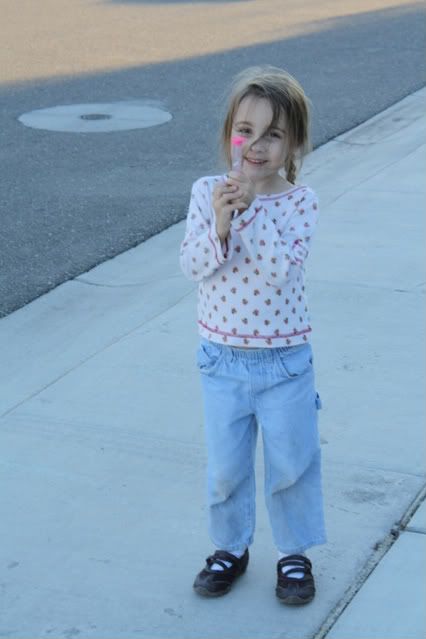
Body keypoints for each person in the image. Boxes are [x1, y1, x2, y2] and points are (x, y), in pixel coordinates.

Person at [179, 65, 326, 604]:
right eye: (246, 131)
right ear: (229, 134)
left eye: (273, 135)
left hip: (284, 361)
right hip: (220, 359)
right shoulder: (206, 193)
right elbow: (193, 266)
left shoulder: (300, 202)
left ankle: (294, 554)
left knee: (292, 464)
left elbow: (281, 270)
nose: (257, 146)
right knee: (225, 468)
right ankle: (230, 548)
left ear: (294, 144)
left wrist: (250, 214)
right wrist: (221, 222)